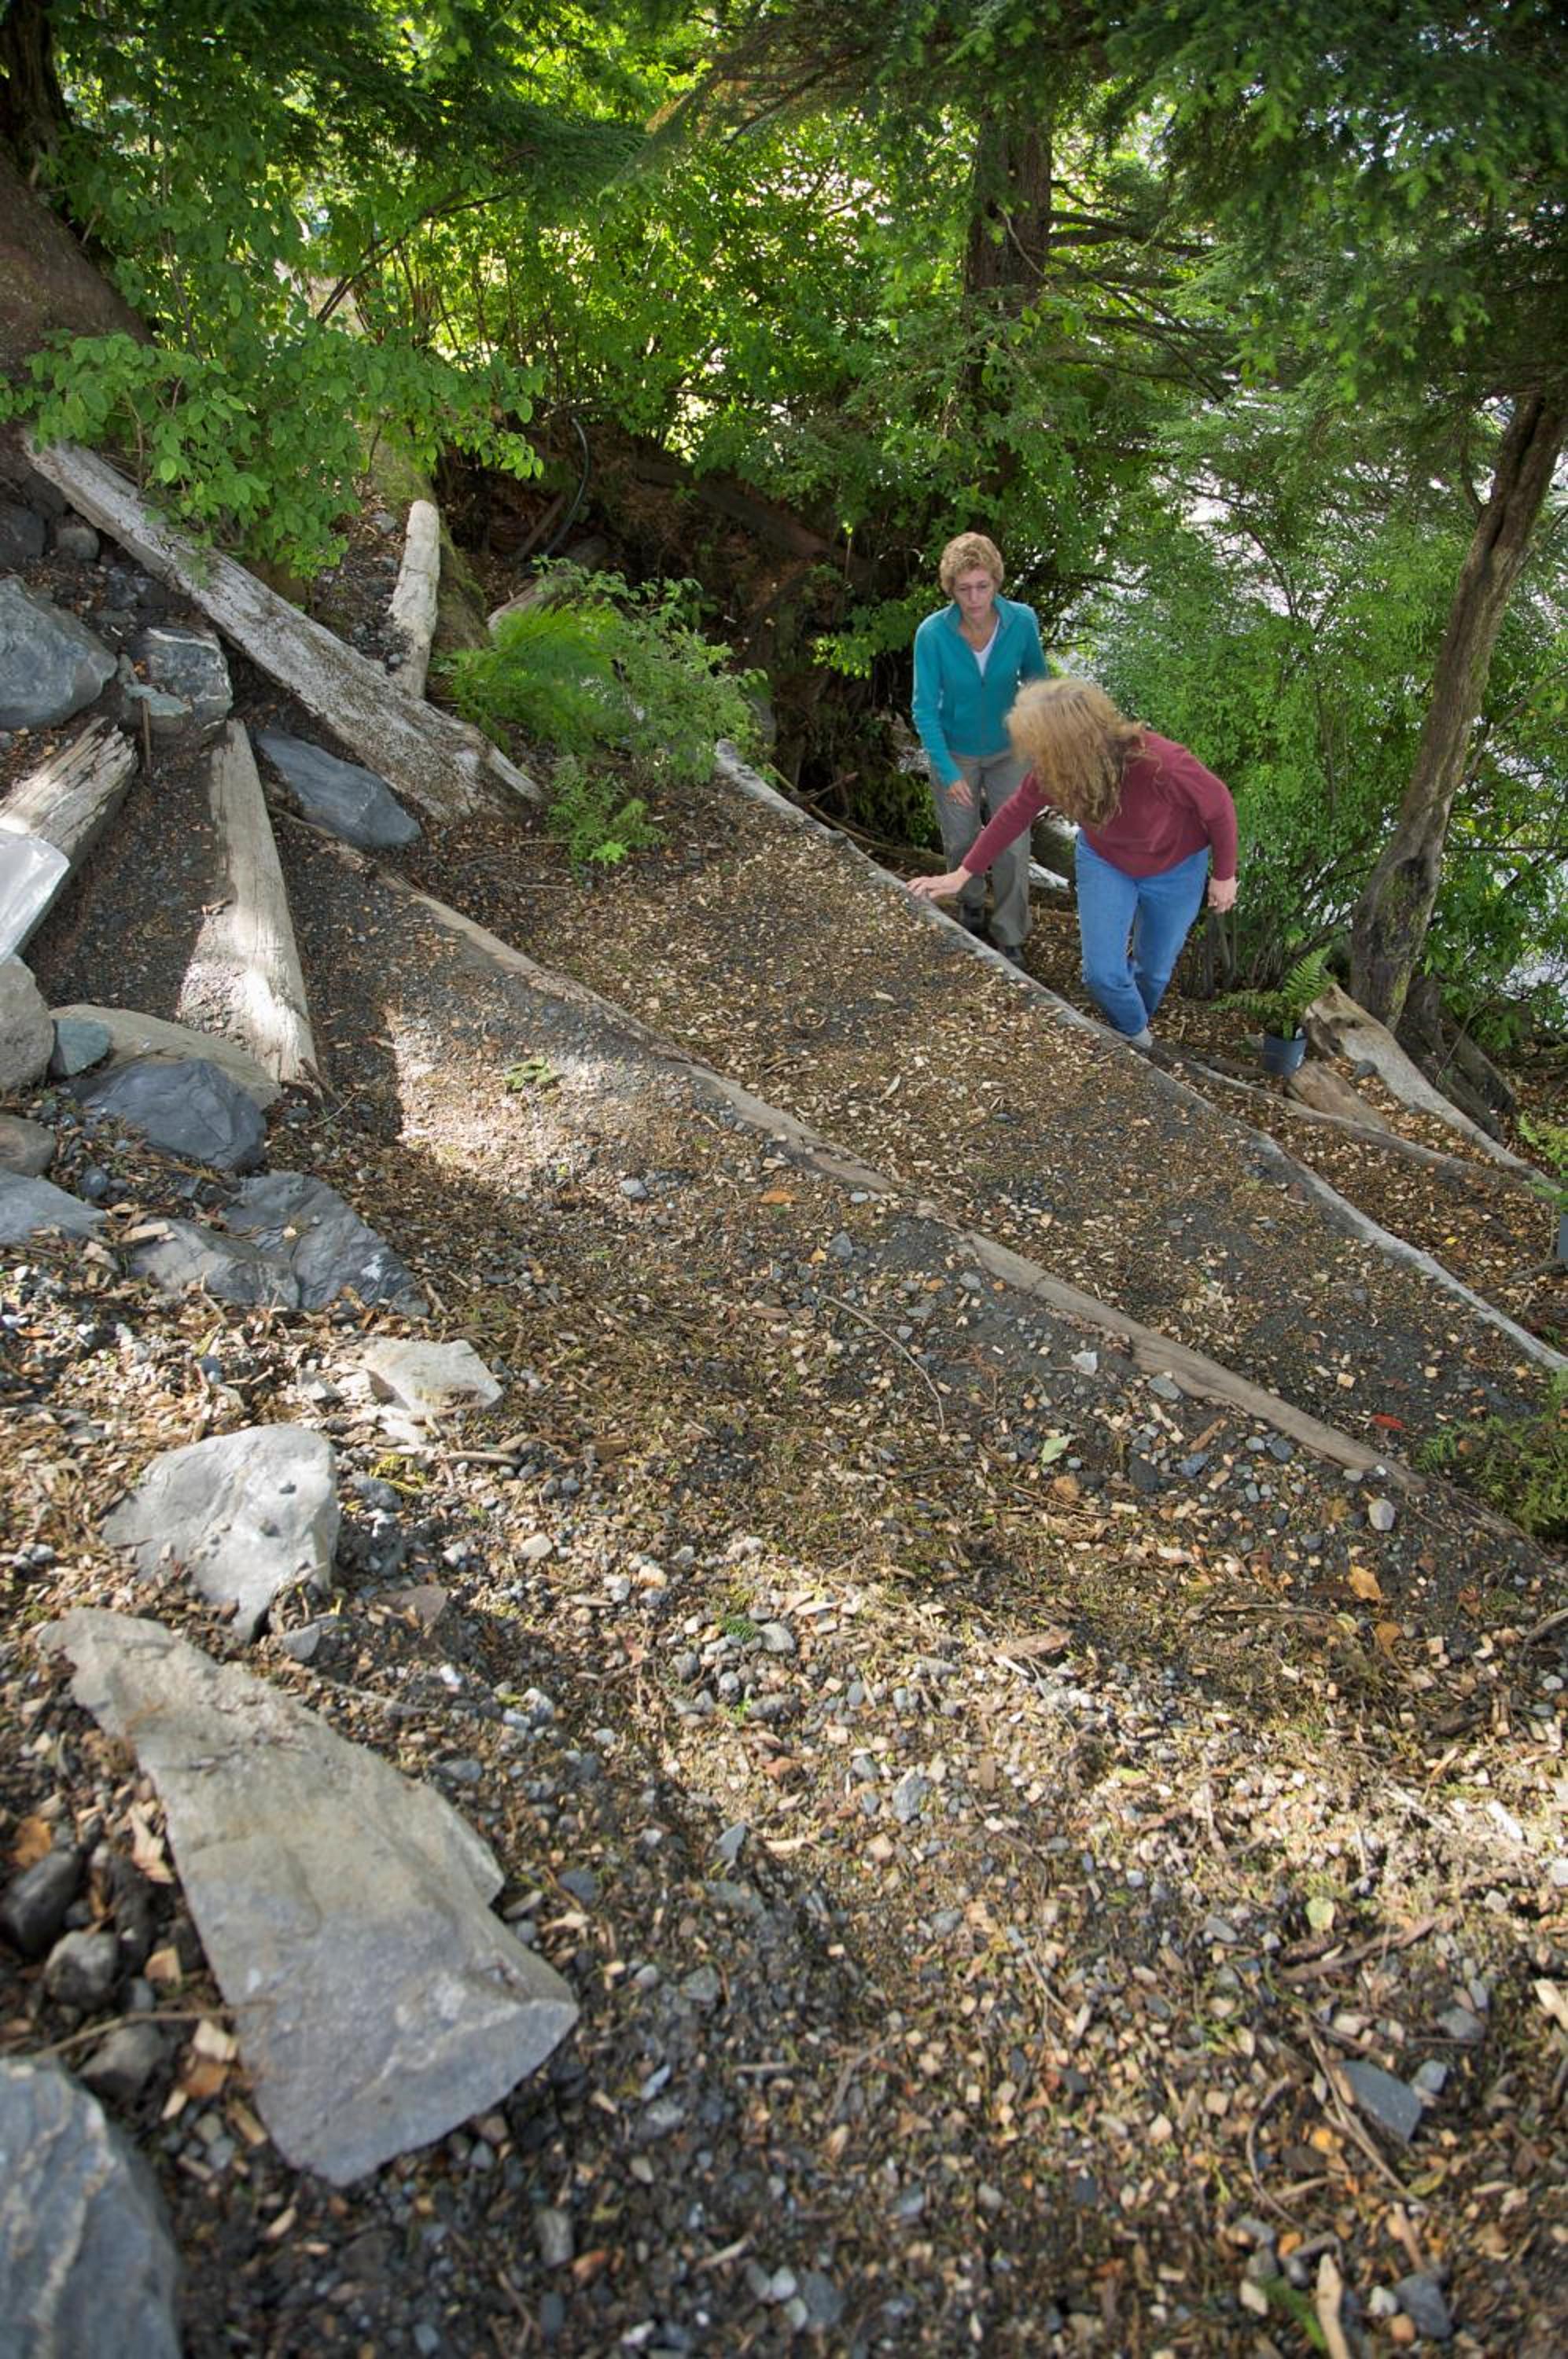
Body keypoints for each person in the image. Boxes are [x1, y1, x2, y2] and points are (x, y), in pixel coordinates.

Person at [908, 676, 1238, 1047]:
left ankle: (1133, 1026)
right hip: (1106, 862)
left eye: (1037, 744)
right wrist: (962, 874)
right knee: (1102, 975)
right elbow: (1013, 814)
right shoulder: (1056, 772)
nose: (1032, 754)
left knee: (1156, 971)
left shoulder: (1162, 763)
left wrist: (1225, 875)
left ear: (1067, 744)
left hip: (1176, 869)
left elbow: (1219, 806)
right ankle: (1138, 1039)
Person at [911, 532, 1053, 964]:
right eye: (964, 588)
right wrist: (949, 773)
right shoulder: (933, 634)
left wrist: (1045, 737)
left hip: (1011, 748)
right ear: (950, 588)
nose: (974, 598)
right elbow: (923, 710)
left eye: (982, 586)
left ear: (996, 582)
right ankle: (970, 901)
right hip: (955, 751)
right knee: (961, 838)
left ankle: (1011, 932)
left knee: (1013, 843)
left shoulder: (1022, 621)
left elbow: (1038, 683)